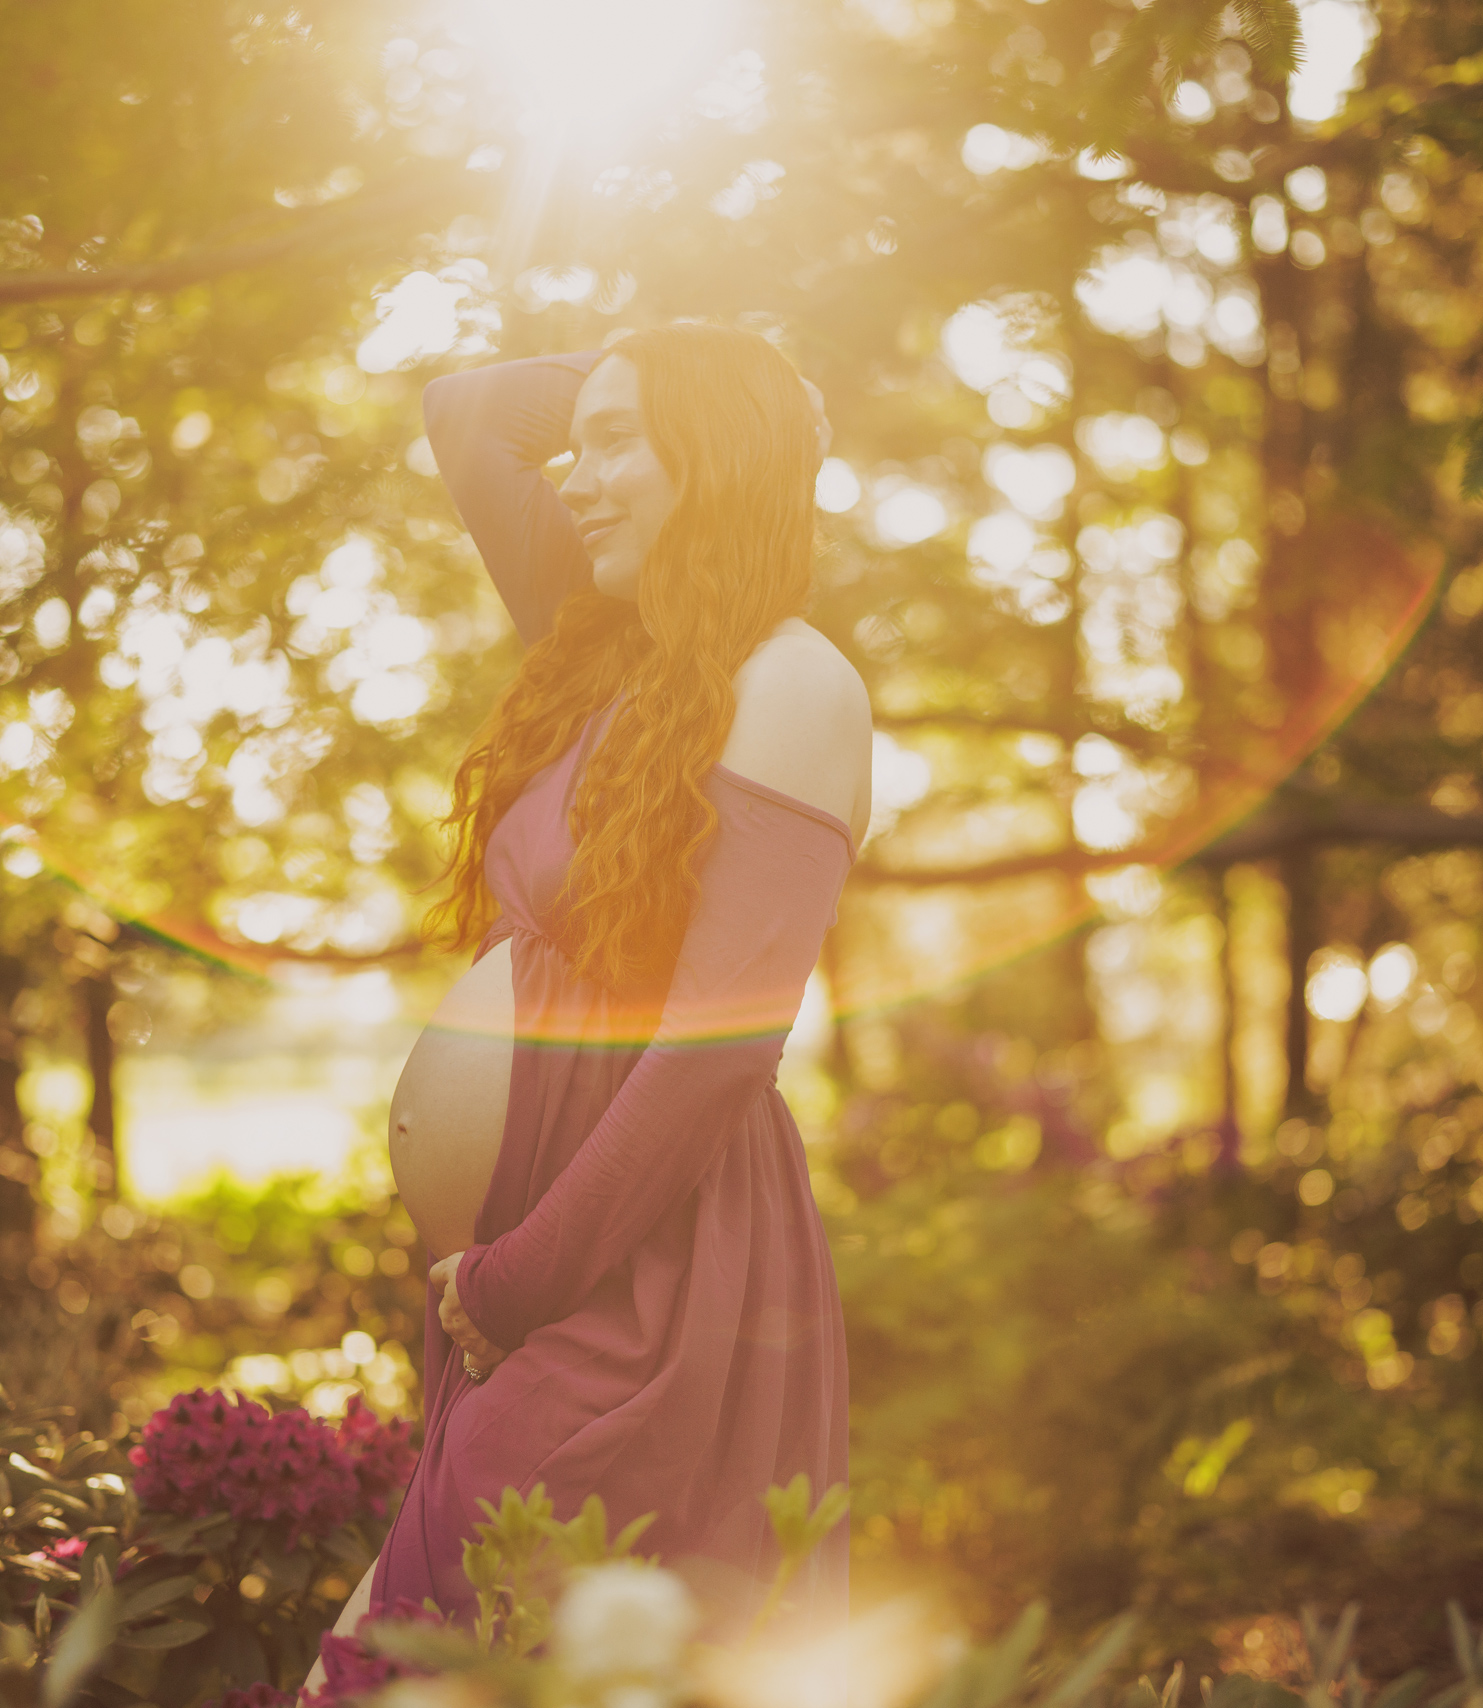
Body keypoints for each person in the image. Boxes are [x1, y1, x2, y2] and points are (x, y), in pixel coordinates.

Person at [305, 323, 868, 1684]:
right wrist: (658, 367)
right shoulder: (610, 648)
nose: (577, 475)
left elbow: (712, 1058)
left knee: (430, 1660)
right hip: (522, 1268)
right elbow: (466, 411)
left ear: (716, 460)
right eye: (583, 441)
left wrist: (521, 1279)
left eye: (619, 442)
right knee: (462, 1660)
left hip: (646, 1276)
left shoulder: (792, 684)